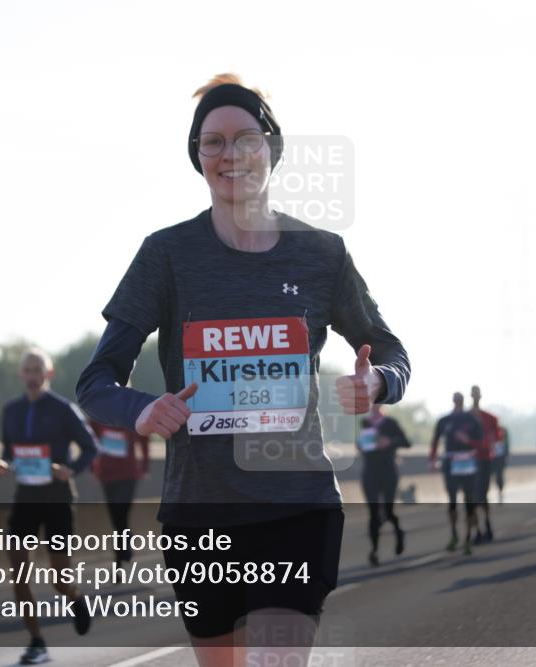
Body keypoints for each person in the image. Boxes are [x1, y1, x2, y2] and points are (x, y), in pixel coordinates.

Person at [75, 74, 410, 667]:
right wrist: (143, 408)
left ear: (271, 147)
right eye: (213, 143)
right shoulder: (166, 255)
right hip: (200, 513)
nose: (230, 156)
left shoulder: (321, 253)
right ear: (197, 156)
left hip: (297, 507)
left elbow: (391, 353)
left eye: (245, 139)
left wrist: (376, 382)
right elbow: (95, 382)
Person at [0, 348, 97, 665]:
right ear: (21, 374)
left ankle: (75, 599)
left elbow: (91, 447)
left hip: (57, 499)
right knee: (19, 573)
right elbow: (8, 452)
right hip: (26, 497)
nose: (33, 375)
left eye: (38, 369)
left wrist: (71, 469)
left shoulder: (64, 410)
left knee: (60, 579)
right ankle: (36, 641)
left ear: (48, 374)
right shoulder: (11, 411)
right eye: (27, 369)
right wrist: (1, 464)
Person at [89, 419, 150, 563]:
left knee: (121, 513)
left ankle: (121, 552)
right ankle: (123, 546)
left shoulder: (130, 415)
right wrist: (92, 469)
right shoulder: (97, 417)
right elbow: (90, 441)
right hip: (106, 474)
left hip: (128, 474)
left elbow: (144, 439)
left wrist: (145, 466)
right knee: (116, 516)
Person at [357, 404, 411, 566]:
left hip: (388, 471)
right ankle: (374, 551)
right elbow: (362, 443)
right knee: (373, 512)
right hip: (370, 471)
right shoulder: (364, 423)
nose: (374, 406)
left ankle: (398, 532)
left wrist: (390, 442)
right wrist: (360, 445)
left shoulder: (391, 423)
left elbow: (407, 442)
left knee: (388, 510)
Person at [430, 392, 484, 555]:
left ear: (463, 402)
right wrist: (432, 459)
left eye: (460, 401)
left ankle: (468, 538)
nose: (457, 403)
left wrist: (468, 441)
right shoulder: (444, 420)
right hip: (451, 462)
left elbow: (482, 443)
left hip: (468, 463)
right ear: (453, 401)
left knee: (469, 500)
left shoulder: (472, 420)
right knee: (452, 500)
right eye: (455, 401)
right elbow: (435, 440)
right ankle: (454, 534)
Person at [468, 385, 499, 542]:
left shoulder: (490, 418)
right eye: (473, 394)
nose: (475, 397)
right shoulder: (465, 417)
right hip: (469, 462)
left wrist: (489, 444)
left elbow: (498, 436)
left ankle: (486, 524)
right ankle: (477, 530)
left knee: (482, 495)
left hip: (484, 460)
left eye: (477, 394)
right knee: (471, 497)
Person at [492, 425, 510, 504]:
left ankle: (500, 493)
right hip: (491, 459)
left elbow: (507, 445)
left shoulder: (503, 430)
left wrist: (505, 456)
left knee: (499, 477)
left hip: (500, 458)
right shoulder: (488, 431)